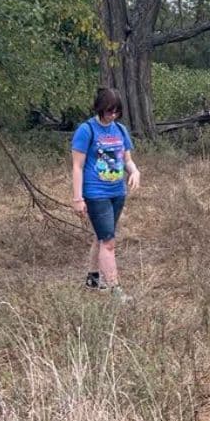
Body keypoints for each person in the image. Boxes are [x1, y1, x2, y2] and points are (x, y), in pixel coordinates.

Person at [71, 88, 141, 301]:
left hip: (117, 192)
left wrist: (135, 171)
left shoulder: (120, 130)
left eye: (116, 112)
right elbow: (77, 166)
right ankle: (115, 289)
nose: (112, 116)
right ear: (100, 109)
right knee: (109, 242)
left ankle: (93, 279)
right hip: (95, 193)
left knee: (101, 237)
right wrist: (77, 198)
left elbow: (127, 159)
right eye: (108, 111)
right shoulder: (86, 130)